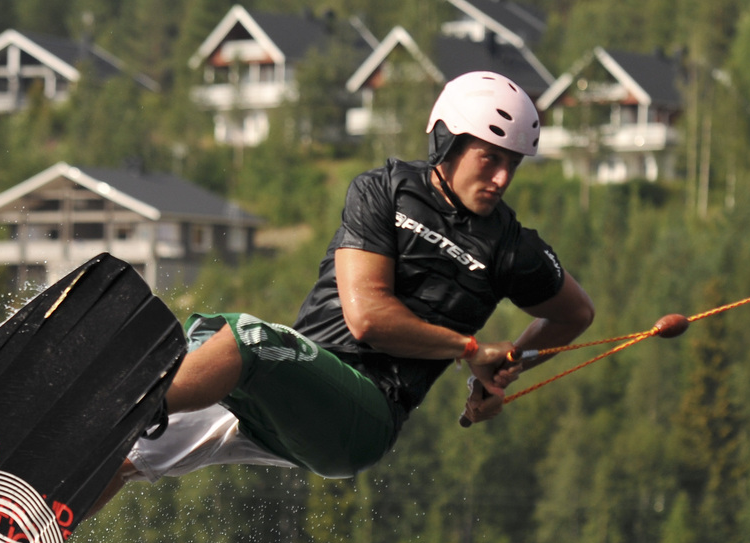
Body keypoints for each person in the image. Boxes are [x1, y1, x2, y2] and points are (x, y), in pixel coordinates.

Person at [88, 71, 596, 507]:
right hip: (292, 385)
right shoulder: (384, 190)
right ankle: (22, 538)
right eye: (490, 158)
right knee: (126, 449)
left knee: (250, 338)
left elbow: (575, 314)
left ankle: (103, 406)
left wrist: (504, 371)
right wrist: (471, 350)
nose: (503, 177)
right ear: (448, 140)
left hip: (363, 417)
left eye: (514, 162)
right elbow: (369, 314)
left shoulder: (511, 248)